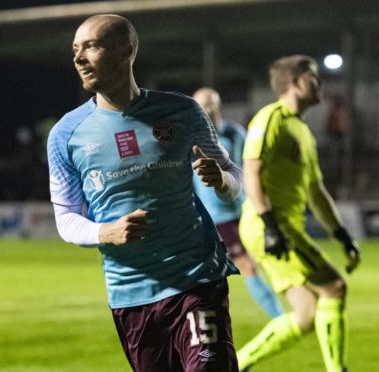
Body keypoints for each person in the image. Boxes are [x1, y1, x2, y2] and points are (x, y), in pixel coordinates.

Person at [47, 14, 242, 371]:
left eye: (90, 46)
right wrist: (104, 232)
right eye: (75, 49)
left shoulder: (182, 111)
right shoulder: (65, 135)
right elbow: (65, 218)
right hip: (129, 293)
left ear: (126, 52)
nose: (78, 58)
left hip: (196, 280)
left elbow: (232, 178)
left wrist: (221, 181)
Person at [236, 55, 361, 372]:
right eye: (314, 78)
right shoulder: (270, 119)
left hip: (281, 226)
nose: (320, 84)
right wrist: (270, 225)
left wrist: (342, 234)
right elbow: (251, 173)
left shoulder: (302, 131)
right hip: (269, 225)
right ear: (295, 82)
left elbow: (317, 194)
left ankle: (233, 364)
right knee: (334, 287)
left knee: (305, 316)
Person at [192, 87, 284, 319]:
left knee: (268, 258)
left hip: (245, 209)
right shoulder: (189, 140)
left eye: (210, 103)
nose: (206, 109)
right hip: (218, 216)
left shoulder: (235, 134)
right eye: (201, 105)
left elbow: (251, 169)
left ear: (219, 106)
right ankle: (280, 317)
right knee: (246, 265)